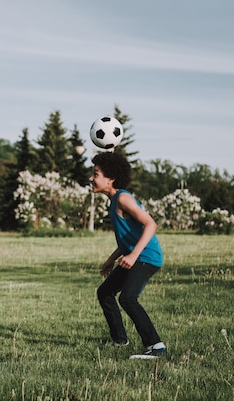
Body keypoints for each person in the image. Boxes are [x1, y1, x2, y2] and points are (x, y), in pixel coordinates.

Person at [91, 152, 166, 360]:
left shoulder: (123, 198)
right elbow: (128, 236)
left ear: (110, 178)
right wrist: (112, 258)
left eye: (95, 174)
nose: (91, 178)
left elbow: (151, 224)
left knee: (128, 298)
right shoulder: (114, 201)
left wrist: (133, 255)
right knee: (105, 292)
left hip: (146, 257)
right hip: (135, 255)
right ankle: (119, 339)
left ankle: (156, 346)